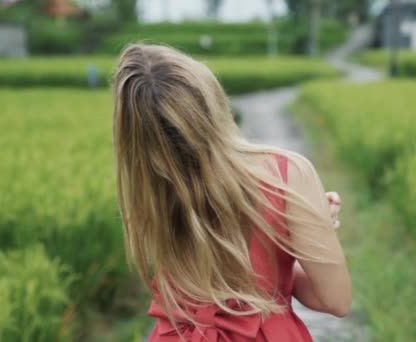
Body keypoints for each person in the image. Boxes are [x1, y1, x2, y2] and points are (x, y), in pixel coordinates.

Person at [112, 43, 351, 342]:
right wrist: (305, 234)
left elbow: (222, 286)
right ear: (211, 102)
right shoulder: (285, 176)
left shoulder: (149, 193)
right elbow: (335, 300)